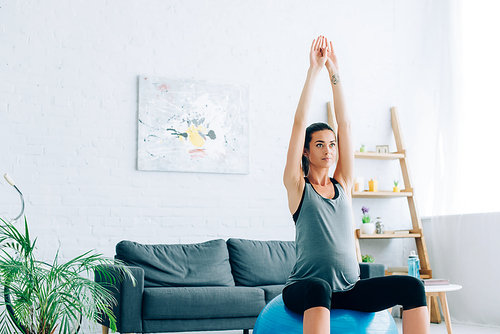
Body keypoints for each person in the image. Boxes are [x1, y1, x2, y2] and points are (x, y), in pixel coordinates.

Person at [282, 36, 430, 334]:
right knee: (319, 287)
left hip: (349, 289)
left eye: (332, 144)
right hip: (306, 290)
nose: (329, 149)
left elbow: (346, 124)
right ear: (306, 152)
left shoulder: (343, 184)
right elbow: (299, 123)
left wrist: (334, 72)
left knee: (413, 286)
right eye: (320, 144)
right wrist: (314, 71)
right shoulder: (298, 186)